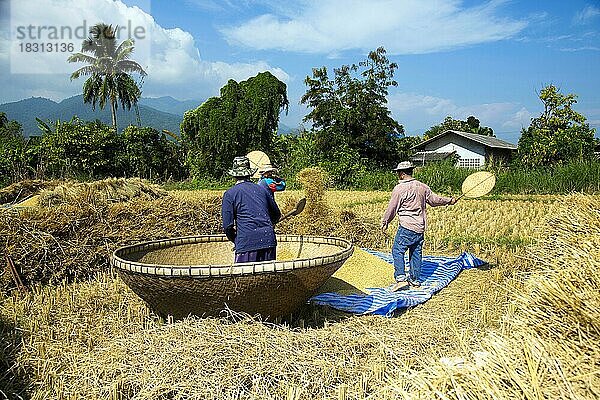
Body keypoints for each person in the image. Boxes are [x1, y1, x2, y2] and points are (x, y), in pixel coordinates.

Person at [380, 161, 457, 291]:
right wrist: (449, 200)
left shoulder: (399, 189)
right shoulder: (422, 187)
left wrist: (385, 221)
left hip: (407, 226)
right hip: (420, 227)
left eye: (398, 172)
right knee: (415, 252)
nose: (398, 175)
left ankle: (400, 279)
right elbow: (434, 200)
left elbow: (392, 208)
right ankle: (415, 280)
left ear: (402, 173)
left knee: (397, 250)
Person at [222, 156, 281, 263]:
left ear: (234, 175)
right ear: (250, 173)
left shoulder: (230, 194)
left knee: (245, 278)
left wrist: (236, 240)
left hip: (246, 243)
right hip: (268, 241)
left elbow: (228, 226)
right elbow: (276, 214)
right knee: (268, 278)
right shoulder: (262, 189)